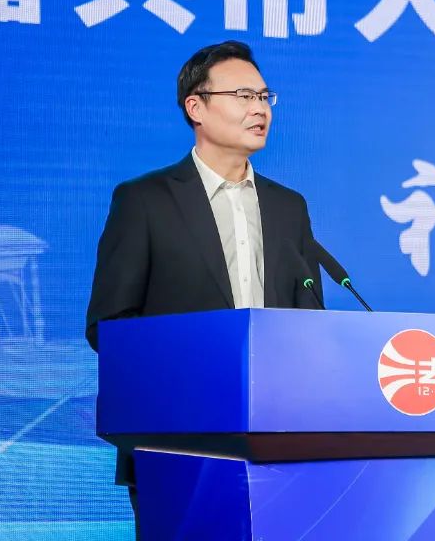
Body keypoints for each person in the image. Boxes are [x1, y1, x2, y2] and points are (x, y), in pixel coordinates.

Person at [85, 40, 323, 537]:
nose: (260, 109)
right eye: (243, 96)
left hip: (279, 439)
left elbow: (309, 325)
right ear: (196, 107)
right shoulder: (144, 200)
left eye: (265, 97)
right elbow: (110, 325)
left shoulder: (289, 207)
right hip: (177, 438)